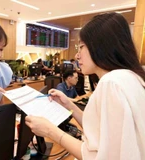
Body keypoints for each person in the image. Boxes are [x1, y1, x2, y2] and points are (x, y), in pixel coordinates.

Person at [25, 12, 145, 160]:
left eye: (81, 46)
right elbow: (100, 130)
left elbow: (98, 156)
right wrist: (69, 105)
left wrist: (50, 131)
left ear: (101, 46)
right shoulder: (130, 78)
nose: (77, 55)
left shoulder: (111, 83)